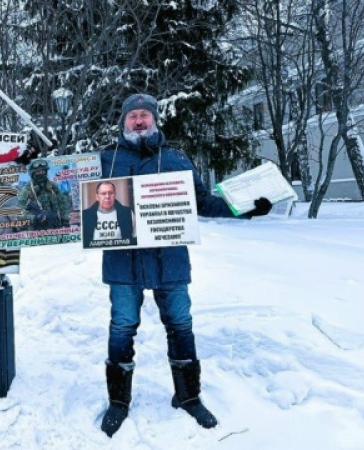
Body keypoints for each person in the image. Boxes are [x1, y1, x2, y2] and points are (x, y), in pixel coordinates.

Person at [97, 93, 272, 437]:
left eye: (145, 115)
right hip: (122, 262)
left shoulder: (176, 159)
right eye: (132, 116)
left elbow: (203, 201)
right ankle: (118, 402)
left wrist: (244, 208)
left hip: (170, 261)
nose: (139, 121)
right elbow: (70, 193)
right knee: (121, 326)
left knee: (180, 324)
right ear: (123, 122)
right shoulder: (105, 159)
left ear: (155, 120)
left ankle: (188, 396)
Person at [17, 159, 72, 231]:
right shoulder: (27, 190)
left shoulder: (53, 186)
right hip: (37, 229)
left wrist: (65, 219)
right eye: (38, 172)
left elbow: (63, 203)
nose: (41, 173)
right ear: (33, 174)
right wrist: (35, 218)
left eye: (43, 171)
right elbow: (19, 212)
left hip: (55, 226)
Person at [81, 181, 135, 247]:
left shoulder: (128, 213)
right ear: (97, 197)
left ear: (115, 195)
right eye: (103, 193)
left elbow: (135, 239)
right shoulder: (85, 216)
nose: (107, 196)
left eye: (111, 193)